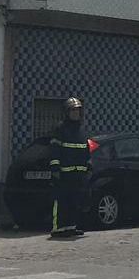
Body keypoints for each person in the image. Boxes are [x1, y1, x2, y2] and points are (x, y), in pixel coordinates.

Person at [49, 97, 90, 238]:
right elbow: (54, 149)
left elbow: (85, 148)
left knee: (75, 201)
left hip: (79, 173)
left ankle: (71, 227)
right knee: (61, 201)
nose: (75, 113)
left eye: (78, 110)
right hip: (64, 172)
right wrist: (55, 167)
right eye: (72, 110)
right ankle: (58, 228)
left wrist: (88, 164)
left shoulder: (81, 130)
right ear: (67, 112)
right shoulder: (60, 128)